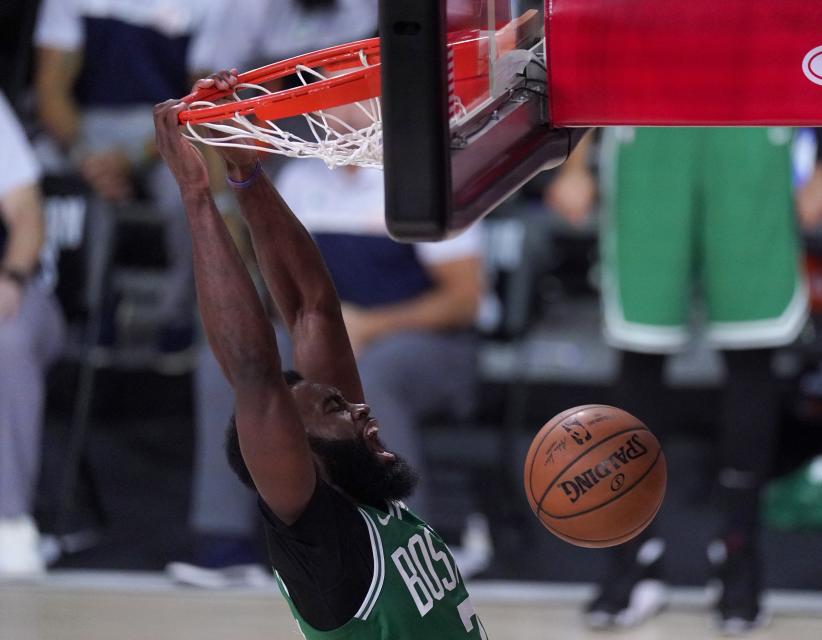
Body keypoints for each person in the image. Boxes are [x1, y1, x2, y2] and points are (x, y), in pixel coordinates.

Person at [153, 72, 488, 638]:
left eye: (339, 403)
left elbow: (312, 310)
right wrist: (197, 197)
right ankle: (218, 541)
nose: (358, 409)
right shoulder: (320, 532)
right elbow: (255, 375)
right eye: (336, 411)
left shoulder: (363, 488)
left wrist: (247, 173)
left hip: (426, 341)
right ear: (297, 460)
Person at [547, 127, 809, 634]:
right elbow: (588, 46)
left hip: (750, 116)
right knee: (640, 353)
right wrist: (574, 161)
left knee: (751, 351)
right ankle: (632, 558)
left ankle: (739, 556)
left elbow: (814, 46)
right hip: (649, 118)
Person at [33, 0, 236, 365]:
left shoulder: (210, 5)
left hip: (168, 124)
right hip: (88, 126)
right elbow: (51, 89)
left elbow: (203, 100)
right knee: (50, 177)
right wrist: (87, 159)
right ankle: (85, 312)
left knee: (193, 193)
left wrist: (136, 156)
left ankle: (177, 321)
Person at [0, 93, 66, 578]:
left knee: (6, 336)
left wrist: (11, 277)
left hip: (12, 291)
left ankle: (9, 523)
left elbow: (27, 213)